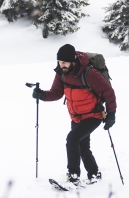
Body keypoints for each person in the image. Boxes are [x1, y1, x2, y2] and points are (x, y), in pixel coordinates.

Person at [32, 44, 117, 186]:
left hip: (93, 115)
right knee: (82, 147)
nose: (61, 65)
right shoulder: (61, 72)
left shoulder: (89, 73)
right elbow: (57, 93)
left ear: (73, 61)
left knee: (72, 139)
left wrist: (111, 114)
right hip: (76, 116)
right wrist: (43, 95)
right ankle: (94, 174)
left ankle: (73, 177)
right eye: (59, 62)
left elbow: (108, 92)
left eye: (64, 62)